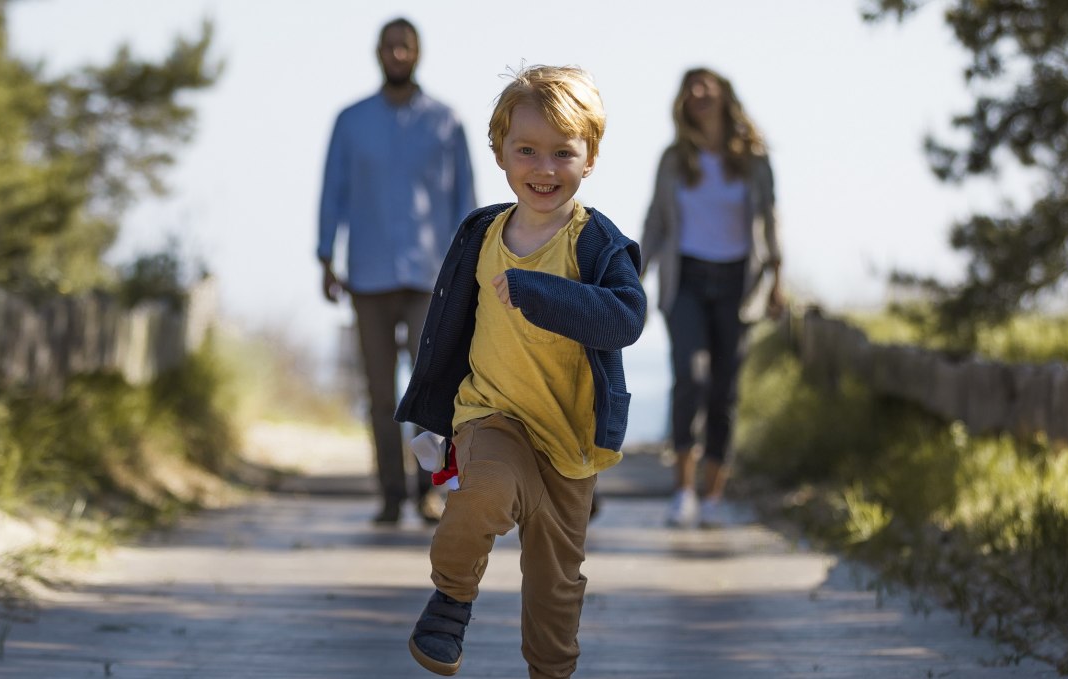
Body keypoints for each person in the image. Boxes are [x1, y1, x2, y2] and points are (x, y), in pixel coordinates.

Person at [396, 65, 644, 679]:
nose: (544, 168)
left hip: (570, 442)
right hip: (491, 414)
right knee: (481, 494)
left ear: (590, 159)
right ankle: (452, 598)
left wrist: (540, 292)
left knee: (556, 587)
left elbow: (626, 318)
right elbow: (447, 324)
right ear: (500, 152)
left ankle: (550, 672)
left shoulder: (597, 243)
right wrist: (430, 415)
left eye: (564, 153)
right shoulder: (481, 233)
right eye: (527, 150)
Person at [318, 17, 476, 526]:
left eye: (405, 46)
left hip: (433, 279)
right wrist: (326, 256)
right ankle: (390, 493)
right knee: (381, 393)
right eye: (390, 46)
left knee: (435, 389)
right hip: (367, 274)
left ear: (418, 52)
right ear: (378, 53)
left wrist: (472, 271)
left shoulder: (447, 121)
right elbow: (332, 192)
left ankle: (431, 491)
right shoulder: (351, 120)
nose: (398, 53)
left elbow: (465, 202)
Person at [640, 68, 784, 529]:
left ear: (724, 95)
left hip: (738, 285)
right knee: (690, 378)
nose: (698, 93)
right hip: (686, 280)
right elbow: (655, 223)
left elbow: (771, 221)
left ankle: (714, 496)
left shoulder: (754, 159)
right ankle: (683, 489)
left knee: (724, 391)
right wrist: (632, 276)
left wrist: (778, 278)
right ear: (683, 102)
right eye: (690, 87)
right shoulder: (672, 159)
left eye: (707, 86)